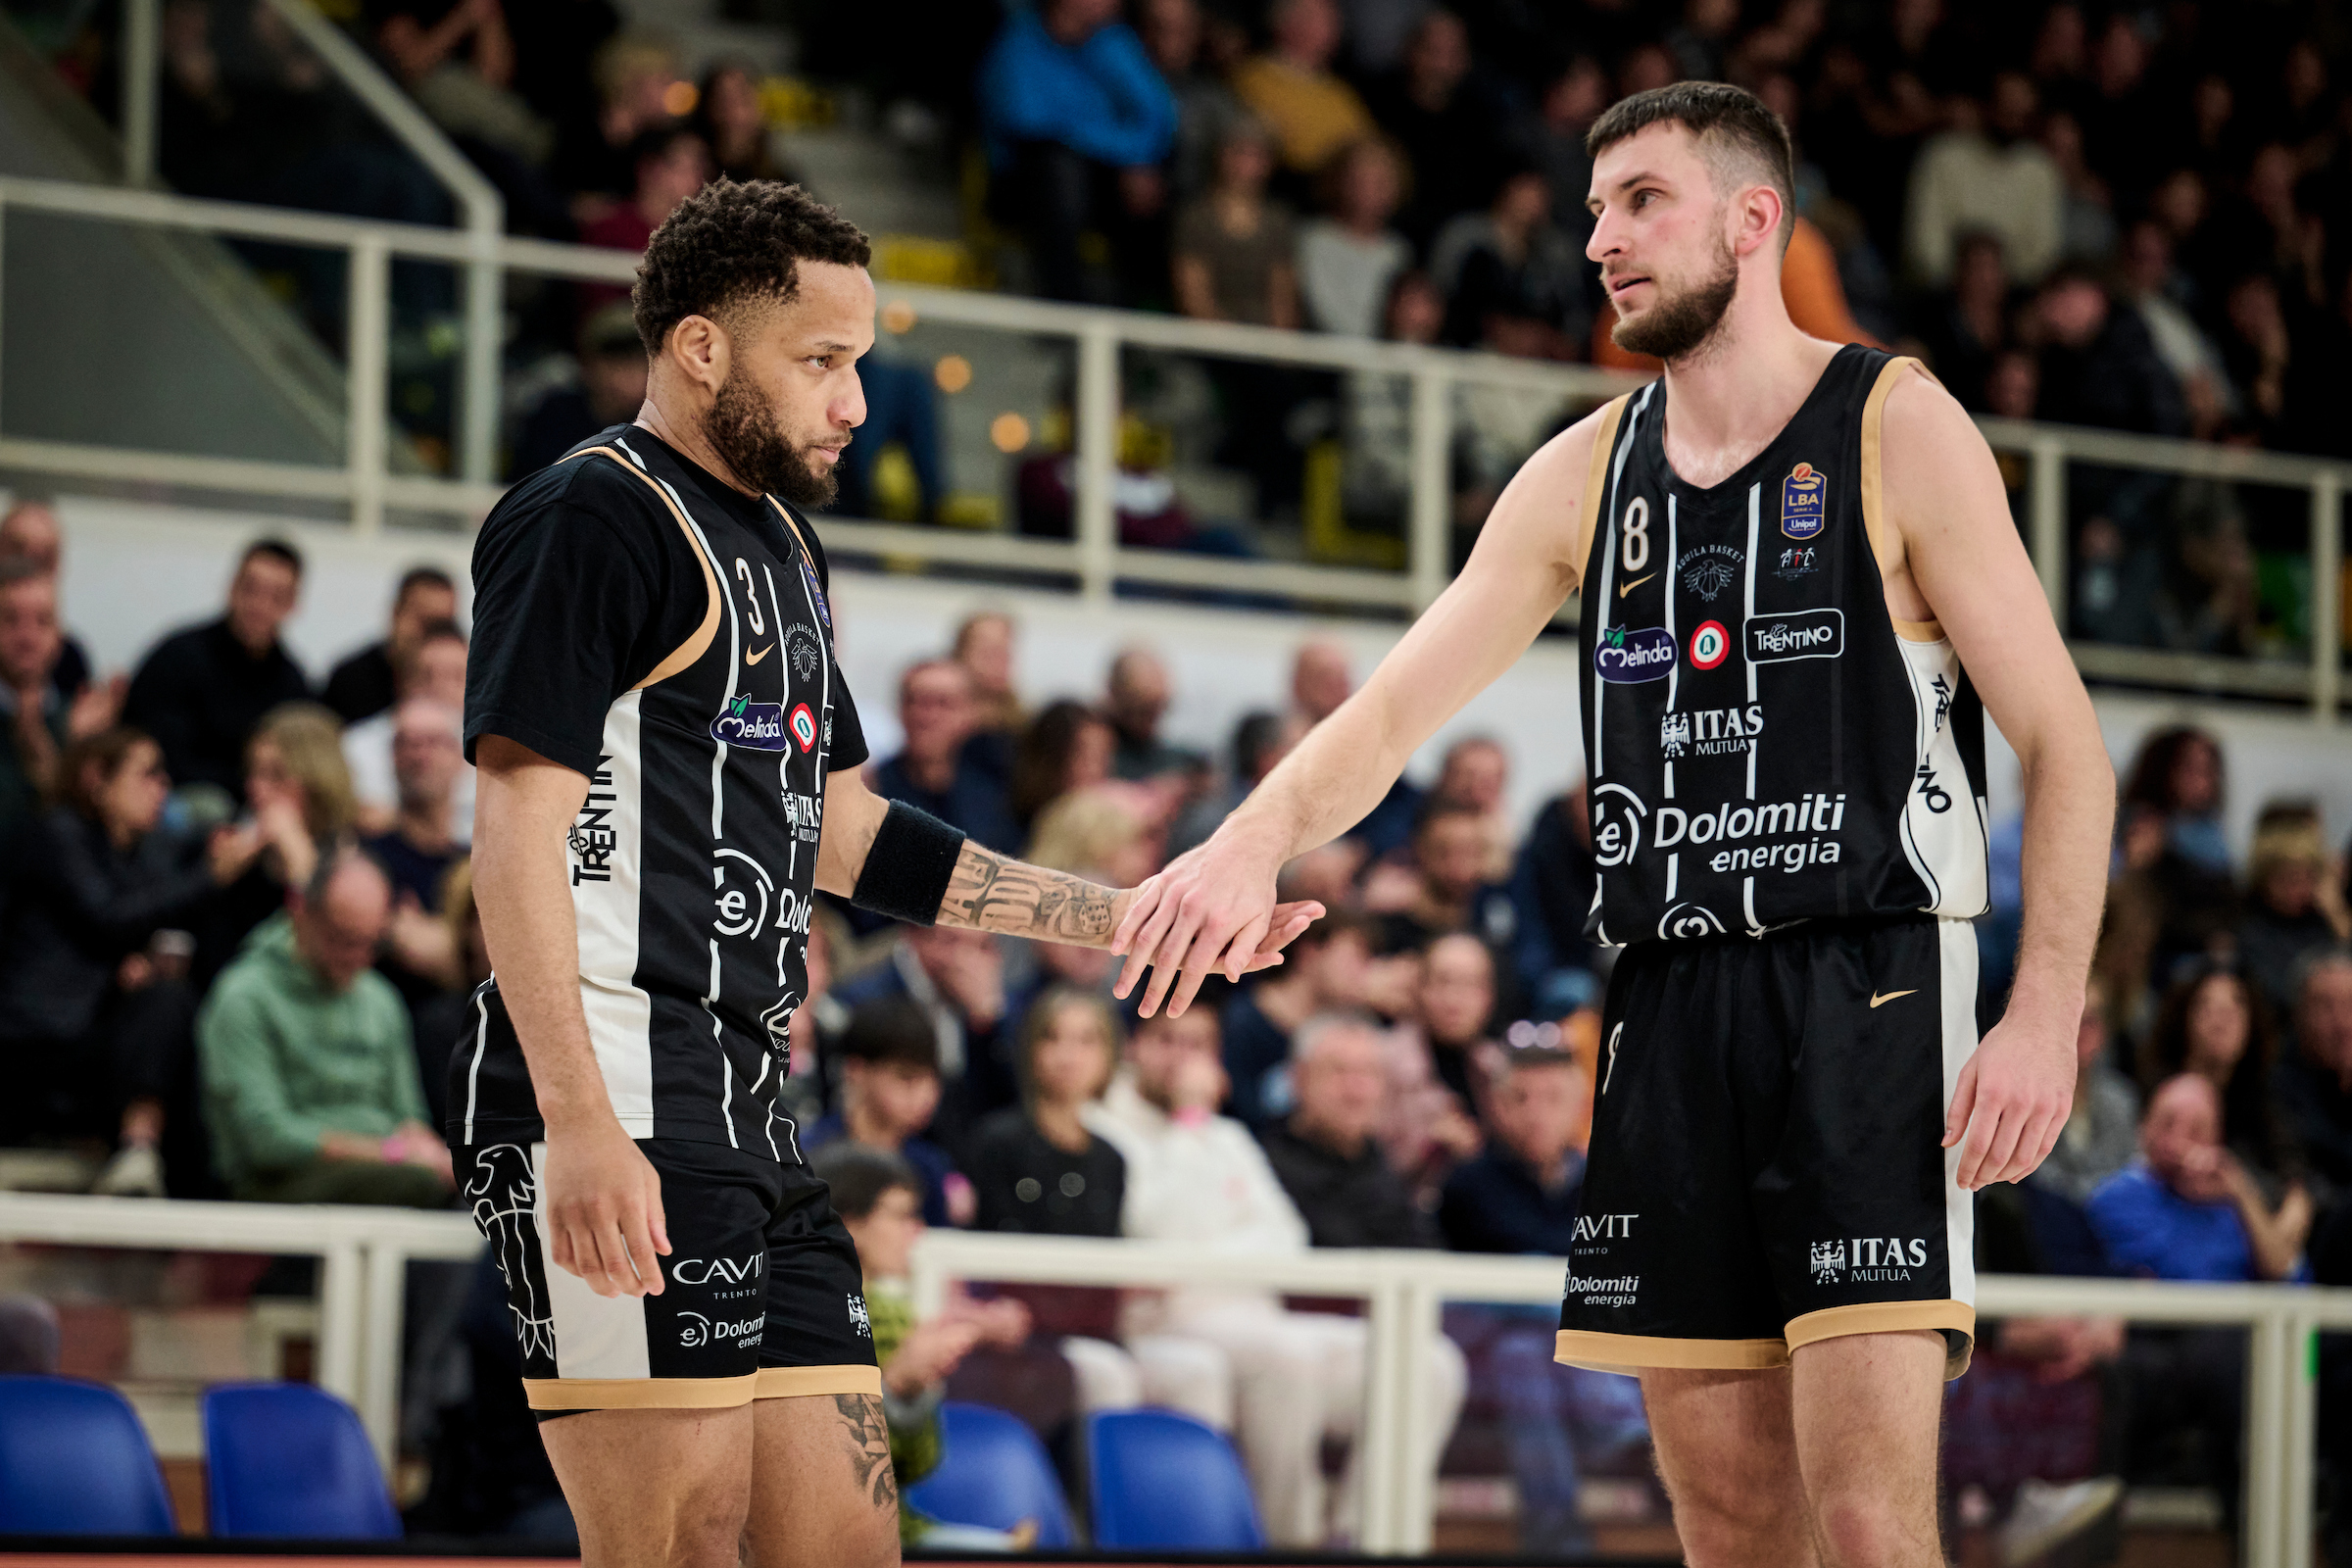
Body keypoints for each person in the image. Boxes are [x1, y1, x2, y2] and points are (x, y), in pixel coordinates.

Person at [1113, 81, 2117, 1568]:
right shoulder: (1584, 471)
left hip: (1874, 983)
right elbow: (1390, 713)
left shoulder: (1898, 425)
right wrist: (1247, 839)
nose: (1600, 240)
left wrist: (2042, 1020)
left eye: (1640, 201)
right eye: (1593, 209)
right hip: (1662, 1000)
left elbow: (2068, 745)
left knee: (1862, 1512)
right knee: (1722, 1514)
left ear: (1750, 217)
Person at [453, 178, 1312, 1568]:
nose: (856, 403)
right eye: (824, 363)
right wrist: (580, 1125)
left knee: (849, 1538)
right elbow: (513, 833)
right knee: (679, 1540)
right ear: (702, 350)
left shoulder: (786, 543)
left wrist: (1127, 916)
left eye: (862, 363)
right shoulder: (589, 519)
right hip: (608, 1088)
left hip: (752, 1108)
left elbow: (847, 836)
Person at [1087, 1004, 1463, 1546]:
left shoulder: (1229, 1137)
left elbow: (1286, 1236)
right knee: (1289, 1357)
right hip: (1171, 1321)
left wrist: (1211, 1251)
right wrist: (1190, 1120)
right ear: (1133, 1048)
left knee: (1429, 1362)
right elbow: (1161, 1233)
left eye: (1197, 1046)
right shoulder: (1108, 1130)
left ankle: (1367, 1538)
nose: (1182, 1060)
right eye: (1167, 1041)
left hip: (1256, 1313)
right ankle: (1287, 1542)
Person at [0, 728, 262, 1195]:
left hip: (99, 1029)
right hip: (36, 1037)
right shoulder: (58, 833)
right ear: (96, 779)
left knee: (178, 999)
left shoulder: (150, 851)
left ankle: (146, 1156)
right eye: (148, 774)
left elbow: (151, 916)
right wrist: (211, 876)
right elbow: (108, 917)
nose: (163, 785)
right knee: (165, 1001)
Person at [1438, 1045, 1645, 1555]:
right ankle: (1619, 1424)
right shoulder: (1467, 1184)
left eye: (1553, 1097)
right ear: (1497, 1105)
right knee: (1533, 1308)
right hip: (1480, 1354)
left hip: (1549, 1363)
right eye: (1521, 1098)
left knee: (1526, 1354)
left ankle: (1554, 1536)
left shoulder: (1607, 1180)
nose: (1537, 1112)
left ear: (1579, 1104)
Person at [2087, 1073, 2293, 1536]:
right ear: (2143, 1129)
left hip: (2250, 1353)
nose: (2180, 1142)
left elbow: (2292, 1280)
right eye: (2167, 1124)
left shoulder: (2234, 1198)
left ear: (2218, 1140)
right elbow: (2183, 1279)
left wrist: (2241, 1194)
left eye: (2198, 1130)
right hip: (2167, 1350)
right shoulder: (2117, 1197)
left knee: (2307, 1358)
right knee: (2223, 1356)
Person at [198, 848, 453, 1205]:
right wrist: (389, 1152)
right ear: (300, 911)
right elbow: (265, 1141)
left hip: (388, 1173)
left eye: (372, 944)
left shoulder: (381, 1000)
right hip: (275, 1188)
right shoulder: (244, 997)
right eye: (343, 940)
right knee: (414, 1183)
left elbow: (408, 1117)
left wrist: (429, 1151)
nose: (359, 959)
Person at [815, 1142, 1038, 1551]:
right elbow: (820, 1468)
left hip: (897, 1531)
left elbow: (918, 1468)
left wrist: (914, 1393)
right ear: (848, 1224)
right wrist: (895, 1384)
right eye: (901, 1215)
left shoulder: (898, 1315)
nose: (916, 1230)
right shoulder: (802, 1320)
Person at [975, 0, 1177, 305]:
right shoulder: (1019, 40)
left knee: (1155, 186)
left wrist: (1135, 161)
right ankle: (1065, 308)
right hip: (1021, 181)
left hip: (1099, 175)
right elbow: (1029, 124)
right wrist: (1120, 150)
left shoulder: (1112, 42)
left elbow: (1159, 115)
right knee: (1057, 168)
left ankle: (1139, 314)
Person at [122, 539, 312, 802]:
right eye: (251, 589)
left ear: (292, 604)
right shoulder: (177, 657)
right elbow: (158, 754)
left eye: (276, 597)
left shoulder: (293, 685)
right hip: (170, 799)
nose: (259, 605)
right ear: (232, 587)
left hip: (257, 809)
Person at [1254, 1012, 1435, 1248]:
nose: (1356, 1090)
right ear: (1299, 1078)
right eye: (1339, 1071)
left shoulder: (1387, 1168)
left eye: (1368, 1072)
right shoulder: (1261, 1171)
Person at [802, 997, 964, 1229]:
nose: (925, 1094)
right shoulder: (808, 1154)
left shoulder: (929, 1165)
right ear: (856, 1071)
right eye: (906, 1077)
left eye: (933, 1079)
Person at [1903, 73, 2063, 289]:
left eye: (2021, 113)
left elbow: (2043, 252)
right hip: (1941, 290)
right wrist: (1962, 283)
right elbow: (1924, 241)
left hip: (2012, 294)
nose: (2013, 120)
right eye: (2006, 109)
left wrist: (1995, 285)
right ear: (1987, 106)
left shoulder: (2039, 169)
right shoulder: (1943, 155)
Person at [1221, 910, 1374, 1125]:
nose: (1362, 973)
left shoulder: (1344, 1026)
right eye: (1353, 959)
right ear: (1309, 954)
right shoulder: (1241, 1021)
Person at [0, 561, 114, 843]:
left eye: (43, 621)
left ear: (59, 635)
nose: (27, 637)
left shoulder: (82, 719)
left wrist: (76, 751)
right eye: (11, 620)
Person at [867, 660, 1020, 854]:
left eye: (943, 704)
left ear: (970, 715)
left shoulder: (994, 798)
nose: (927, 717)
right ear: (900, 709)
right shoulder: (870, 788)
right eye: (916, 701)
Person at [345, 618, 473, 838]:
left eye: (455, 677)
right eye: (427, 674)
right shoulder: (356, 747)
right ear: (404, 680)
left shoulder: (494, 755)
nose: (439, 688)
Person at [1228, 0, 1376, 181]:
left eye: (1333, 20)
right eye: (1319, 19)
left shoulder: (1342, 93)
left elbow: (1366, 148)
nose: (1332, 28)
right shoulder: (1251, 78)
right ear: (1284, 22)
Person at [2029, 977, 2139, 1208]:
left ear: (2105, 1031)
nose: (2080, 1030)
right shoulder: (2026, 1095)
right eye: (2072, 1018)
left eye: (2090, 1021)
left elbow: (2125, 1169)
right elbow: (2032, 1176)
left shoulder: (2121, 1098)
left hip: (2108, 1220)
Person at [514, 306, 655, 478]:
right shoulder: (556, 415)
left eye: (640, 362)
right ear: (588, 364)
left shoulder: (659, 426)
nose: (631, 375)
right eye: (617, 361)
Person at [1297, 137, 1412, 337]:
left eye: (1380, 183)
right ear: (1340, 182)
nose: (1369, 192)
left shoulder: (1398, 251)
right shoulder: (1314, 240)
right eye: (1360, 181)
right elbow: (1323, 310)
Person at [323, 565, 460, 725]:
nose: (432, 634)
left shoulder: (469, 684)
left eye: (443, 625)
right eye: (423, 620)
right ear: (396, 613)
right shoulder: (350, 681)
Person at [2273, 951, 2352, 1202]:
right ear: (2299, 1015)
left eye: (2350, 1004)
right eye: (2325, 1006)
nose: (2342, 1023)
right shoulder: (2277, 1085)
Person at [1102, 646, 1192, 782]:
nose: (1155, 717)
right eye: (1144, 709)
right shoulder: (1097, 752)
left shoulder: (1168, 756)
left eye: (1161, 706)